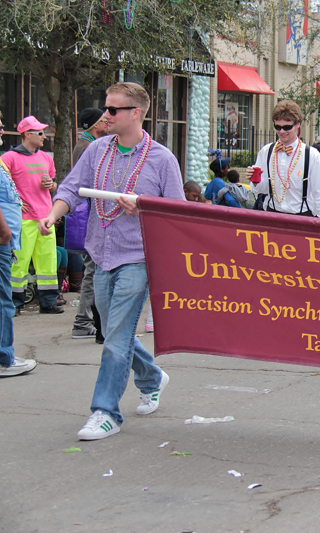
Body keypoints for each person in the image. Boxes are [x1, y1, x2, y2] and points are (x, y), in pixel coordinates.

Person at [39, 82, 185, 440]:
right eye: (106, 107)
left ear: (135, 113)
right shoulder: (97, 150)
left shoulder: (161, 159)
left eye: (113, 109)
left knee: (117, 337)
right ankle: (151, 376)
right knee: (111, 332)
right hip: (100, 256)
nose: (106, 114)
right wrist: (53, 215)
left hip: (137, 258)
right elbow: (71, 188)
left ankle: (105, 412)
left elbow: (178, 213)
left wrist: (144, 208)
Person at [0, 116, 62, 315]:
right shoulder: (8, 158)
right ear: (27, 134)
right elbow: (4, 187)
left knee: (48, 261)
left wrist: (52, 185)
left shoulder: (46, 158)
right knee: (19, 261)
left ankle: (49, 302)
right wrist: (17, 201)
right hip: (23, 219)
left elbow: (53, 184)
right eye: (40, 133)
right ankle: (14, 303)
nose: (44, 136)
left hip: (45, 216)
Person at [247, 100, 320, 218]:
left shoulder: (311, 155)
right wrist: (255, 181)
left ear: (298, 124)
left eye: (287, 127)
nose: (282, 131)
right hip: (272, 215)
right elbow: (262, 189)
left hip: (302, 217)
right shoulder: (266, 152)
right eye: (278, 127)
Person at [0, 113, 37, 377]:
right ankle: (4, 358)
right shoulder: (10, 158)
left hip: (7, 238)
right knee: (3, 300)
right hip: (2, 238)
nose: (2, 130)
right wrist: (4, 232)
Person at [71, 107, 109, 341]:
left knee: (92, 269)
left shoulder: (87, 144)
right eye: (104, 120)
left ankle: (85, 321)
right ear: (96, 125)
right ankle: (83, 321)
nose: (108, 122)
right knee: (93, 269)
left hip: (90, 213)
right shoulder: (89, 147)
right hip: (91, 215)